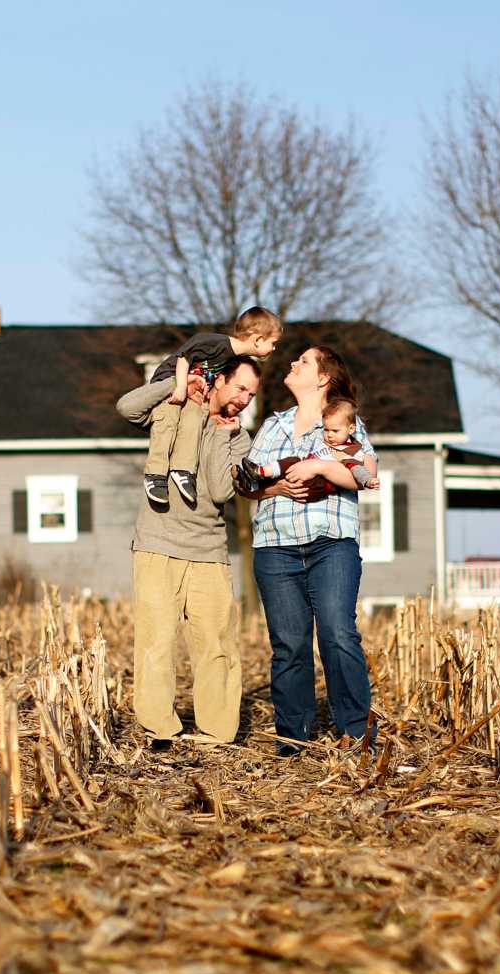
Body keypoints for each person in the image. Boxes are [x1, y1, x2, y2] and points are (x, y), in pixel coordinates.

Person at [237, 346, 377, 757]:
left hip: (330, 542)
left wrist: (318, 467)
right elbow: (247, 483)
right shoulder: (272, 426)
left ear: (321, 378)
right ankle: (294, 737)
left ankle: (355, 731)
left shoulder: (345, 424)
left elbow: (366, 476)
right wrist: (276, 487)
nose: (293, 364)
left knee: (337, 632)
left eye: (303, 361)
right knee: (289, 644)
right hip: (275, 546)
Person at [116, 355, 261, 748]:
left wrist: (226, 435)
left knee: (216, 645)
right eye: (240, 387)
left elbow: (217, 490)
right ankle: (158, 728)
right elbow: (127, 407)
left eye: (251, 393)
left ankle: (217, 732)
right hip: (157, 544)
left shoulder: (239, 438)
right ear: (219, 380)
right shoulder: (174, 406)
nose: (245, 399)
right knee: (156, 641)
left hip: (209, 551)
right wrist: (177, 385)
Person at [143, 307, 281, 507]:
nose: (275, 348)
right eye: (273, 343)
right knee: (170, 428)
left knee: (191, 423)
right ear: (258, 339)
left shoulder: (229, 360)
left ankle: (182, 471)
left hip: (191, 395)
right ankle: (156, 475)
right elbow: (184, 357)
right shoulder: (215, 343)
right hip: (170, 387)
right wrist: (179, 386)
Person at [235, 395, 379, 492]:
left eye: (335, 431)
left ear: (351, 429)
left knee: (305, 480)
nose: (329, 434)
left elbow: (358, 470)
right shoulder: (324, 441)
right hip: (304, 470)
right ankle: (257, 473)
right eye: (326, 429)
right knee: (292, 461)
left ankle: (256, 479)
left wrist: (368, 481)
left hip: (318, 484)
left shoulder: (349, 451)